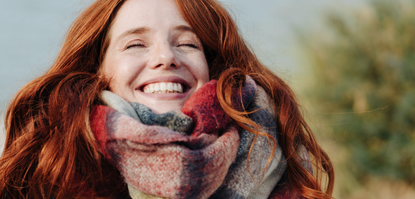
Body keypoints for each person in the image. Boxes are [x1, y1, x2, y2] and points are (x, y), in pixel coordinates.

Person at [0, 0, 334, 198]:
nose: (165, 57)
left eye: (187, 43)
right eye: (135, 44)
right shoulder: (45, 171)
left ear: (212, 64)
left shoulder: (276, 154)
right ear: (99, 71)